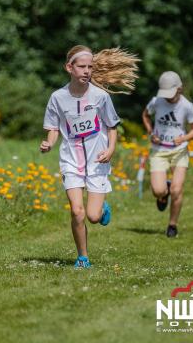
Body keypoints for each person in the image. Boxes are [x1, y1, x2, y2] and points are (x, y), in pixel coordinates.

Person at [40, 45, 139, 268]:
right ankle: (82, 257)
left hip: (97, 162)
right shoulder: (57, 97)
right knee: (77, 211)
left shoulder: (101, 96)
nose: (87, 71)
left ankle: (102, 209)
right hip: (71, 161)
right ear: (69, 67)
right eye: (82, 67)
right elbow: (53, 128)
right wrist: (49, 143)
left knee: (93, 216)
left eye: (90, 67)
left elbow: (112, 126)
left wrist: (111, 149)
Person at [142, 71, 193, 237]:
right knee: (158, 191)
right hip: (158, 151)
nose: (167, 98)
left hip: (179, 152)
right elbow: (145, 115)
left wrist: (184, 138)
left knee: (177, 190)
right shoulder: (157, 101)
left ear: (179, 89)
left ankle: (172, 225)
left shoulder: (187, 106)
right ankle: (164, 191)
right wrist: (150, 131)